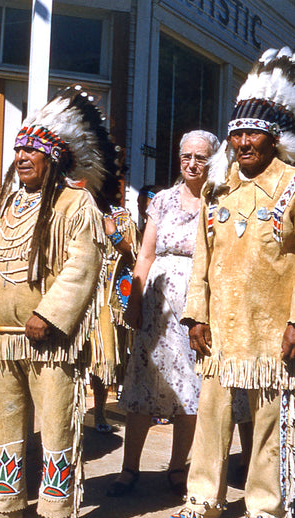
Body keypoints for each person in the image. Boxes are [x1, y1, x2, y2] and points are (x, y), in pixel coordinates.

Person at [168, 47, 295, 518]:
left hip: (273, 329)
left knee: (271, 420)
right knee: (211, 413)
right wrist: (194, 315)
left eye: (254, 133)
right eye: (238, 134)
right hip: (221, 327)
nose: (244, 142)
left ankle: (265, 508)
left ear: (273, 138)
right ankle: (204, 497)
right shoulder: (217, 189)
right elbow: (201, 260)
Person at [0, 86, 119, 518]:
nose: (24, 156)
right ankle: (4, 502)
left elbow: (82, 265)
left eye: (34, 149)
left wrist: (49, 314)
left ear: (54, 158)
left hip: (49, 341)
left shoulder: (74, 203)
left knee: (56, 420)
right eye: (20, 149)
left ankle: (57, 507)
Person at [107, 130, 219, 497]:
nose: (191, 163)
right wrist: (134, 300)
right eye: (186, 156)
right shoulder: (163, 201)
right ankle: (129, 468)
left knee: (190, 385)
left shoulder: (219, 203)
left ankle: (176, 467)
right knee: (144, 382)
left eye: (200, 158)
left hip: (195, 305)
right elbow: (145, 254)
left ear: (212, 161)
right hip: (156, 304)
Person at [89, 186, 139, 433]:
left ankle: (99, 411)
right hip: (79, 292)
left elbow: (133, 253)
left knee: (105, 356)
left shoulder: (122, 217)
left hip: (107, 297)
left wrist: (113, 234)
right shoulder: (78, 210)